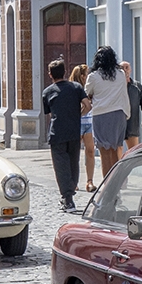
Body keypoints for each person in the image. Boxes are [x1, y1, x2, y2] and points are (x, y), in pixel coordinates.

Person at [42, 59, 89, 212]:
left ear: (50, 75)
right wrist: (78, 115)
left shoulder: (48, 92)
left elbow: (48, 112)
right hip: (74, 131)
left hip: (57, 133)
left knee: (61, 166)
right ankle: (71, 190)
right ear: (65, 72)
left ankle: (67, 198)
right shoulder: (76, 87)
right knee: (73, 162)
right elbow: (88, 105)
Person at [85, 46, 131, 181]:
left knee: (104, 153)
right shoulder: (121, 74)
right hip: (119, 114)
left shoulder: (93, 76)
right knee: (116, 151)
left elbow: (86, 94)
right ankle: (116, 185)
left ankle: (108, 189)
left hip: (101, 114)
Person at [70, 64, 97, 192]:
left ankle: (89, 181)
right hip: (77, 124)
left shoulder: (90, 87)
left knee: (90, 151)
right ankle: (73, 181)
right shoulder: (74, 89)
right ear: (82, 76)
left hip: (89, 122)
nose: (89, 75)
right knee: (74, 153)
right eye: (87, 73)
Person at [120, 61, 142, 151]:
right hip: (117, 122)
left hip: (132, 123)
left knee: (133, 150)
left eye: (127, 67)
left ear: (131, 70)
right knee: (117, 150)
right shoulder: (114, 86)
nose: (124, 70)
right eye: (122, 68)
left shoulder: (137, 86)